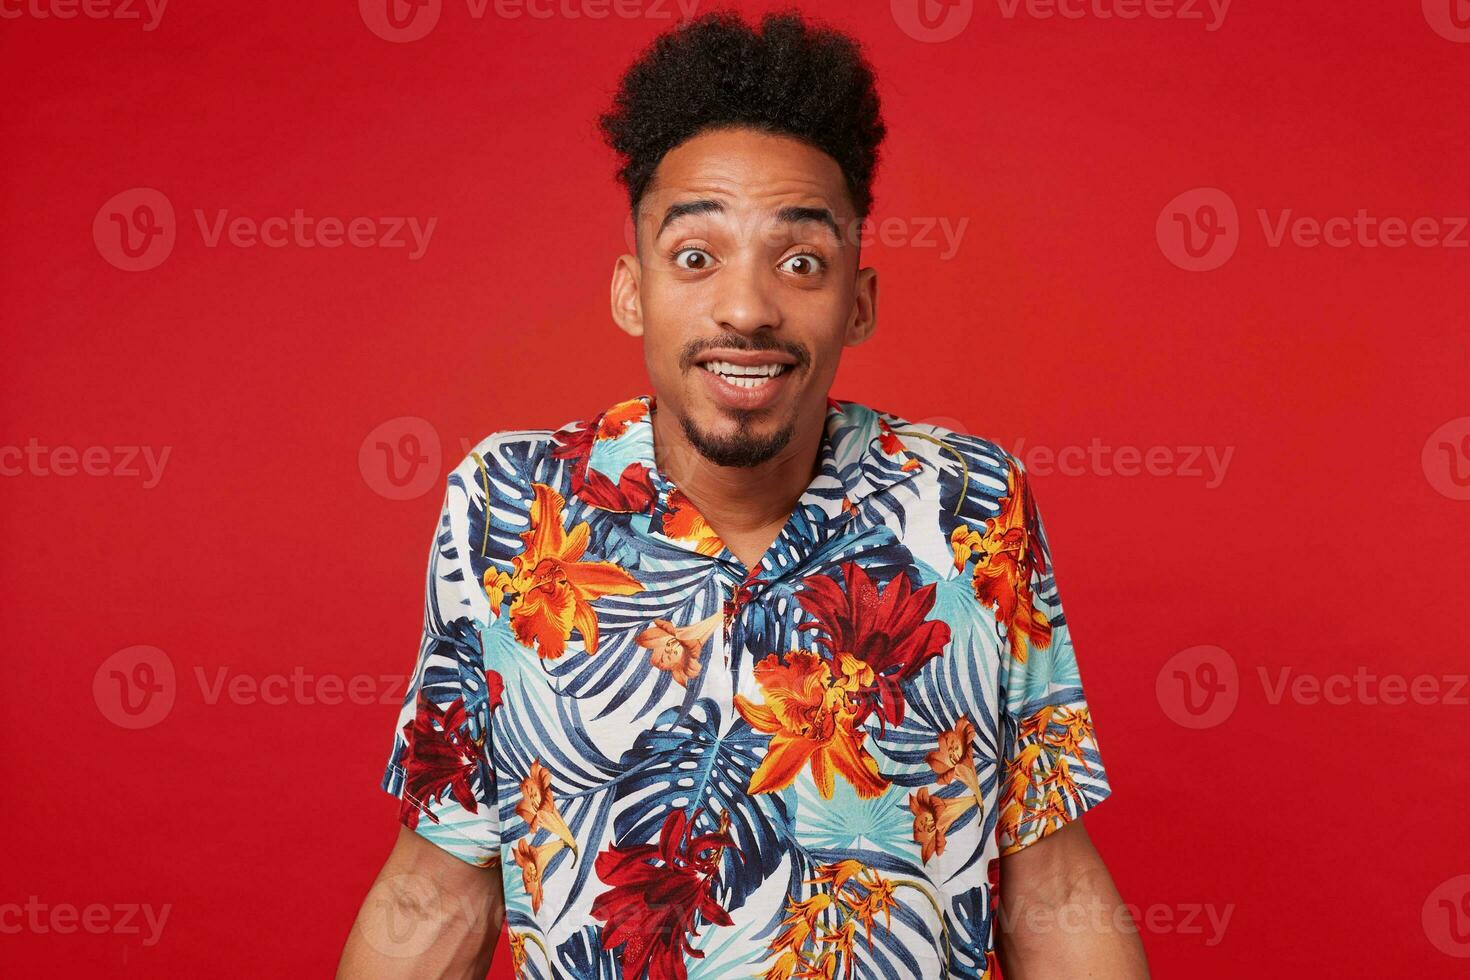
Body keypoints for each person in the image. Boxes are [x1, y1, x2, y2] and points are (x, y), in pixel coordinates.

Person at [339, 10, 1149, 979]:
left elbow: (1052, 888)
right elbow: (436, 889)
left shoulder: (970, 504)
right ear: (632, 290)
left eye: (800, 259)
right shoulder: (508, 509)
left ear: (860, 299)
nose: (747, 306)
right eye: (695, 256)